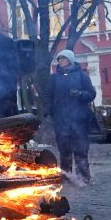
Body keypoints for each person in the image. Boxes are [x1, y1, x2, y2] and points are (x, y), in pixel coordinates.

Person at [43, 50, 96, 183]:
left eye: (64, 58)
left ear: (70, 60)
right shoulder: (54, 78)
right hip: (61, 120)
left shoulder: (81, 76)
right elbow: (48, 96)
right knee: (64, 150)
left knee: (81, 150)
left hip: (79, 120)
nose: (61, 61)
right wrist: (48, 112)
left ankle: (83, 177)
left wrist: (79, 94)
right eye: (59, 59)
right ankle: (66, 177)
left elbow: (91, 94)